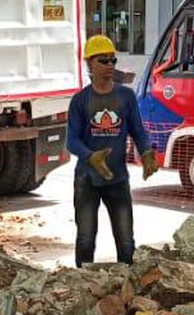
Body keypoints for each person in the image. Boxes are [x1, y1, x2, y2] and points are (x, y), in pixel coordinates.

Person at [66, 35, 158, 267]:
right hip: (87, 180)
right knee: (86, 239)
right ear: (89, 63)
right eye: (103, 61)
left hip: (117, 179)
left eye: (112, 61)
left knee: (126, 242)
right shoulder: (80, 100)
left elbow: (137, 129)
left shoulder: (125, 97)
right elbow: (72, 141)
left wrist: (146, 152)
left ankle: (127, 288)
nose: (109, 66)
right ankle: (83, 284)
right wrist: (90, 157)